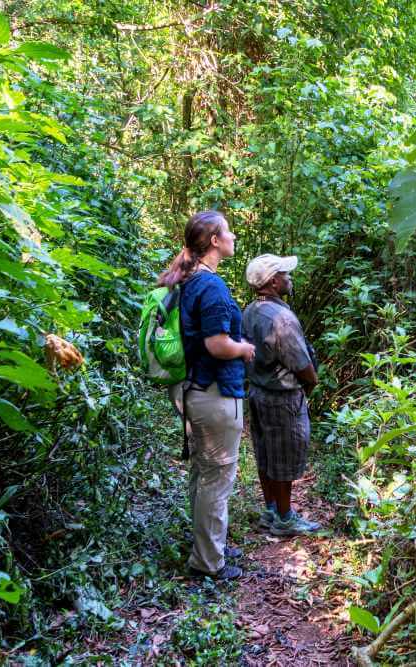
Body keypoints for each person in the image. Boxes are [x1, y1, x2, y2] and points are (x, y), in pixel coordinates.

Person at [158, 210, 255, 580]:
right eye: (228, 232)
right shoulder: (211, 286)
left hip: (194, 391)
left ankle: (208, 545)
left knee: (203, 473)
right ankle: (208, 562)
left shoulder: (189, 282)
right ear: (214, 241)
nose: (233, 237)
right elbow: (217, 345)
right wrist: (244, 349)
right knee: (217, 477)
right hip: (214, 393)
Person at [242, 254, 322, 537]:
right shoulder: (281, 319)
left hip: (258, 392)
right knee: (285, 456)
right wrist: (312, 381)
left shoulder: (250, 310)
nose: (290, 278)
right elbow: (301, 364)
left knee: (266, 453)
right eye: (285, 274)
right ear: (274, 282)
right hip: (281, 397)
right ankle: (285, 519)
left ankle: (272, 510)